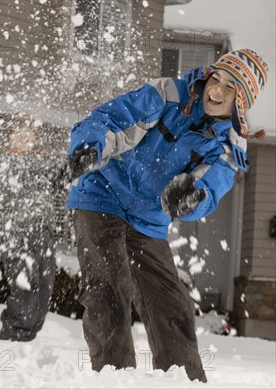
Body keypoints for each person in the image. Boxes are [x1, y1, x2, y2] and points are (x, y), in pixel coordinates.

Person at [65, 49, 268, 382]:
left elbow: (211, 186)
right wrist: (89, 146)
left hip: (149, 221)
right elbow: (113, 117)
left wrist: (190, 196)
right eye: (215, 79)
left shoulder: (231, 147)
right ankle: (114, 380)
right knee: (108, 289)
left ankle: (184, 381)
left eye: (229, 88)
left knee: (172, 307)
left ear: (242, 102)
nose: (215, 91)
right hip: (101, 194)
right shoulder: (169, 94)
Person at [0, 116, 59, 342]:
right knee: (25, 289)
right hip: (16, 232)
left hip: (43, 232)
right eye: (19, 133)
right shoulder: (5, 163)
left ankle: (28, 338)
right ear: (11, 137)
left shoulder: (43, 162)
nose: (24, 137)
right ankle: (13, 336)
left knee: (44, 287)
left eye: (28, 133)